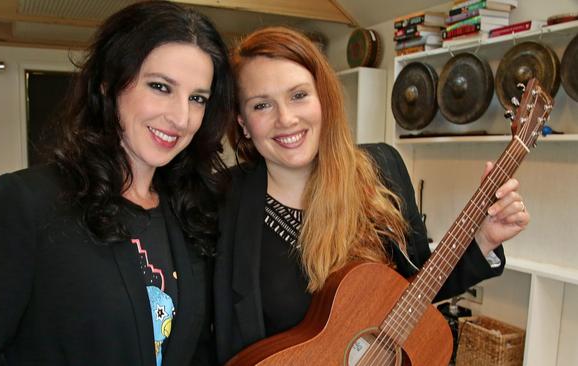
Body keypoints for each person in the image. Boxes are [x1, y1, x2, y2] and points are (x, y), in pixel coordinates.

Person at [0, 1, 234, 365]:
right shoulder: (25, 203)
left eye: (197, 98)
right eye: (160, 87)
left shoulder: (190, 212)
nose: (181, 117)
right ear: (108, 85)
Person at [213, 26, 530, 364]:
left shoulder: (382, 168)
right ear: (243, 122)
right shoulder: (221, 201)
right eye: (262, 105)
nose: (286, 118)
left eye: (299, 95)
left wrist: (483, 240)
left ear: (323, 98)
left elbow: (418, 290)